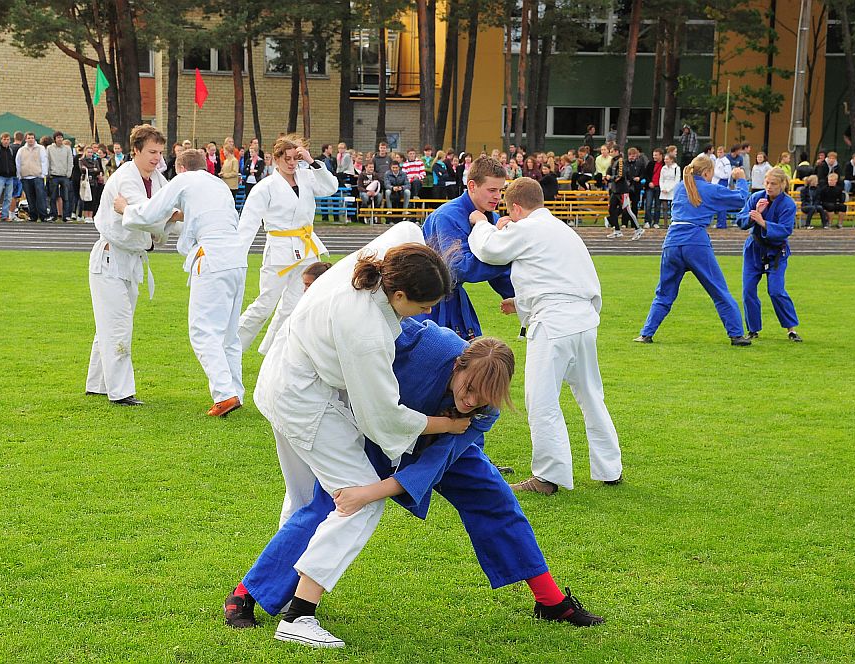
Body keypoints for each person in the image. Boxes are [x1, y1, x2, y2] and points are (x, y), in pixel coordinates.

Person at [224, 317, 605, 644]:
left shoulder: (483, 411)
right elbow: (379, 321)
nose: (471, 401)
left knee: (496, 500)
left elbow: (432, 466)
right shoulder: (427, 344)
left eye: (483, 396)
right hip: (377, 428)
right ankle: (246, 593)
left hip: (445, 442)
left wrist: (370, 492)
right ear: (458, 364)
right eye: (468, 388)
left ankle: (551, 601)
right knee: (330, 504)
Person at [248, 223, 465, 648]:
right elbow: (381, 417)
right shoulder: (365, 330)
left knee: (303, 498)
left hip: (283, 377)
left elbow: (406, 227)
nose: (427, 315)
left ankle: (282, 591)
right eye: (424, 306)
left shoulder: (388, 257)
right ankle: (298, 616)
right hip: (303, 400)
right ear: (399, 295)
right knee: (360, 500)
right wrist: (444, 425)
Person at [468, 176, 622, 493]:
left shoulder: (529, 228)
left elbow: (489, 250)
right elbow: (554, 276)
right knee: (592, 396)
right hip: (583, 320)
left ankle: (548, 477)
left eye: (509, 212)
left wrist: (481, 223)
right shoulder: (563, 231)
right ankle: (610, 469)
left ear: (517, 208)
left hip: (554, 322)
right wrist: (522, 303)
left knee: (541, 399)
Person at [116, 147, 247, 416]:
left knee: (203, 331)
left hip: (212, 257)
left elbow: (152, 211)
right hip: (237, 257)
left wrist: (125, 209)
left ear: (180, 168)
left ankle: (225, 394)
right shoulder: (219, 185)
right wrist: (176, 216)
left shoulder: (184, 180)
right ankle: (235, 390)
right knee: (229, 334)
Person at [84, 124, 171, 406]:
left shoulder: (157, 179)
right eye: (151, 152)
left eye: (160, 152)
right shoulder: (126, 178)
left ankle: (96, 384)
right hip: (110, 259)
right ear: (135, 151)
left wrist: (177, 216)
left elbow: (169, 207)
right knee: (118, 325)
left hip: (131, 260)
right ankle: (120, 392)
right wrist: (171, 216)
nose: (157, 158)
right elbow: (147, 215)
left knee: (110, 324)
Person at [633, 156, 752, 346]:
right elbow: (740, 200)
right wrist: (741, 179)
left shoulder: (681, 186)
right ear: (706, 173)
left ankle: (646, 333)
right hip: (695, 242)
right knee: (718, 289)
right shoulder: (708, 189)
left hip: (671, 242)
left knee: (664, 292)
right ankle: (736, 335)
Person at [236, 134, 339, 353]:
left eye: (295, 159)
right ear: (275, 159)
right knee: (265, 305)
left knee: (294, 306)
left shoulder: (307, 177)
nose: (292, 163)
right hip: (279, 252)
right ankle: (232, 345)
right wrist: (237, 255)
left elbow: (331, 187)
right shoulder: (265, 187)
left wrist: (311, 162)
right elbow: (248, 223)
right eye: (287, 159)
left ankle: (275, 351)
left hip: (306, 249)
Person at [418, 156, 514, 341]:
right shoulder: (447, 216)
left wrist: (524, 297)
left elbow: (499, 274)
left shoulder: (490, 218)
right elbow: (459, 268)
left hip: (453, 300)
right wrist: (507, 257)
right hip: (428, 305)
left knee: (471, 363)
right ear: (472, 186)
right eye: (492, 190)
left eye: (500, 190)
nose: (497, 196)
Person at [736, 168, 802, 342]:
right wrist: (753, 216)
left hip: (776, 252)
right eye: (767, 183)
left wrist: (763, 222)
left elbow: (785, 230)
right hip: (754, 249)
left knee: (776, 290)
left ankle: (791, 329)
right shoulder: (756, 198)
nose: (769, 187)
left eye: (773, 183)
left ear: (782, 184)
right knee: (748, 290)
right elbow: (740, 220)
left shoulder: (788, 204)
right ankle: (752, 329)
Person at [606, 146, 643, 240]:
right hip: (615, 190)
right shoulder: (614, 162)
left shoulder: (621, 162)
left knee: (628, 210)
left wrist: (611, 178)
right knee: (611, 209)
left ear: (617, 152)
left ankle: (638, 228)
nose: (610, 153)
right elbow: (610, 171)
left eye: (612, 151)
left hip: (622, 190)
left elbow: (621, 176)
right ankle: (617, 230)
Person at [15, 132, 51, 222]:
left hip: (37, 176)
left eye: (32, 138)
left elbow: (44, 161)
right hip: (25, 177)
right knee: (30, 197)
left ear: (35, 139)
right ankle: (33, 215)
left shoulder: (41, 148)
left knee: (40, 196)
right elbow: (18, 163)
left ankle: (43, 216)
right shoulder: (21, 150)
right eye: (29, 138)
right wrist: (19, 175)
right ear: (26, 139)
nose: (30, 139)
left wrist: (43, 174)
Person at [47, 131, 74, 222]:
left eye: (61, 137)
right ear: (54, 139)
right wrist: (48, 173)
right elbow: (48, 161)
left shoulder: (67, 148)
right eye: (58, 137)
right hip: (53, 175)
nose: (60, 139)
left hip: (64, 175)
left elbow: (70, 161)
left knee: (66, 197)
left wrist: (68, 173)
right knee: (53, 197)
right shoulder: (50, 148)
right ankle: (53, 215)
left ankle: (66, 216)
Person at [643, 148, 665, 228]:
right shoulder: (651, 164)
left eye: (656, 155)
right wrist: (649, 182)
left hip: (659, 187)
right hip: (650, 187)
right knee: (648, 204)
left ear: (661, 155)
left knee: (658, 205)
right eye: (653, 155)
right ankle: (647, 221)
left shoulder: (664, 165)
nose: (654, 157)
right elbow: (646, 174)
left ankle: (656, 222)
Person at [658, 152, 680, 227]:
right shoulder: (663, 168)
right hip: (664, 188)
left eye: (667, 159)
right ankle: (665, 223)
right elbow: (661, 179)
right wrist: (662, 188)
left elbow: (677, 180)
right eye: (665, 159)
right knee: (664, 207)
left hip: (672, 189)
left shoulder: (676, 168)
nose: (665, 160)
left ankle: (673, 222)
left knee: (672, 207)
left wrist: (668, 189)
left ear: (672, 160)